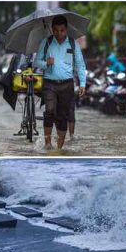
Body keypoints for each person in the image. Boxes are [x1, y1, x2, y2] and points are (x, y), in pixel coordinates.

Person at [34, 15, 86, 150]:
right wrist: (46, 63)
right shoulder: (46, 42)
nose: (59, 33)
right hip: (49, 84)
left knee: (63, 116)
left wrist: (82, 83)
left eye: (62, 30)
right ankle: (47, 144)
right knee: (50, 110)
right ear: (52, 29)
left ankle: (59, 149)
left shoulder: (73, 44)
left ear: (66, 29)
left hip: (67, 84)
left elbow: (80, 65)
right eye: (56, 30)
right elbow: (36, 62)